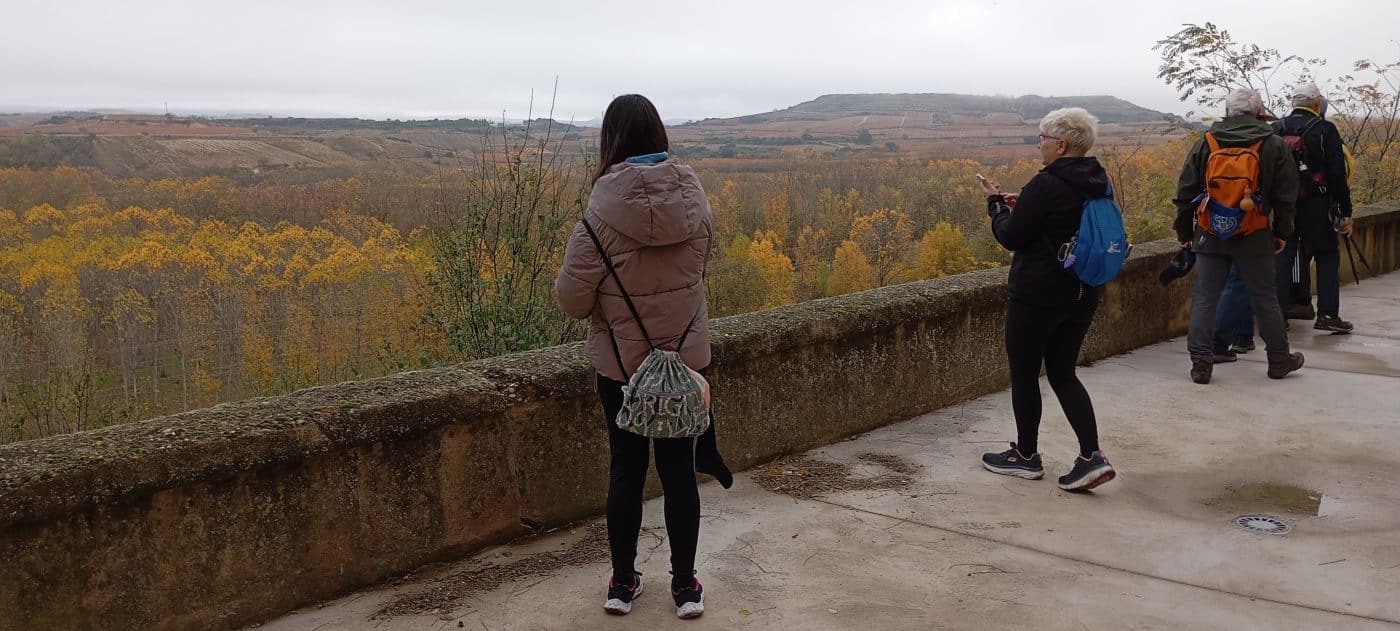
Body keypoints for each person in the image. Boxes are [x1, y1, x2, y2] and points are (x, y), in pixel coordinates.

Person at [555, 94, 729, 620]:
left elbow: (572, 301)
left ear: (611, 142)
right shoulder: (698, 210)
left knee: (626, 470)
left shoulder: (596, 222)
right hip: (686, 364)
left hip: (621, 369)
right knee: (678, 470)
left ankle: (623, 582)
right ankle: (685, 587)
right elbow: (697, 276)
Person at [977, 107, 1116, 492]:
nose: (1037, 144)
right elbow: (1067, 221)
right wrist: (1026, 206)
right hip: (1083, 291)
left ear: (1061, 143)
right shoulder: (1099, 179)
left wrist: (996, 207)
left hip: (1038, 295)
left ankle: (1025, 456)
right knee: (1063, 372)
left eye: (1041, 138)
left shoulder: (1047, 183)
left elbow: (1012, 237)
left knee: (1025, 374)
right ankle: (1092, 456)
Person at [1173, 88, 1305, 385]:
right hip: (1255, 232)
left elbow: (1185, 192)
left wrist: (1184, 232)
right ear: (1258, 112)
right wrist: (1282, 232)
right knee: (1264, 297)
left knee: (1205, 299)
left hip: (1209, 232)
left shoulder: (1207, 141)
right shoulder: (1272, 144)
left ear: (1227, 111)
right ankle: (1279, 359)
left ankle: (1201, 364)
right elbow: (1286, 197)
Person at [1273, 82, 1356, 333]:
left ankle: (1277, 316)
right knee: (1327, 256)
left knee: (1283, 256)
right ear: (1317, 104)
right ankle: (1328, 315)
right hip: (1318, 204)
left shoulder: (1276, 128)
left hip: (1283, 205)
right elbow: (1336, 174)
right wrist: (1345, 211)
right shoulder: (1325, 129)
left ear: (1293, 103)